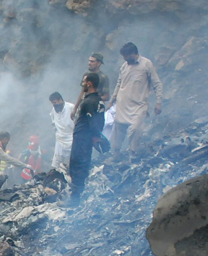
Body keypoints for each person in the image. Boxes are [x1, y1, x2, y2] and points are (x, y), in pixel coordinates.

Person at [105, 42, 163, 155]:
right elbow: (119, 84)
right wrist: (112, 101)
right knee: (118, 131)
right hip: (122, 105)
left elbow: (157, 84)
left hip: (139, 105)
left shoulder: (146, 64)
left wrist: (158, 102)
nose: (124, 59)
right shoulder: (124, 66)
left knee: (135, 129)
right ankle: (115, 154)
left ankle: (132, 153)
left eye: (126, 56)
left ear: (133, 54)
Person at [69, 73, 109, 202]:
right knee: (84, 164)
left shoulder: (89, 102)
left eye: (84, 82)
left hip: (82, 138)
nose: (83, 84)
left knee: (77, 165)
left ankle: (74, 198)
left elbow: (92, 122)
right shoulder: (99, 101)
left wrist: (95, 136)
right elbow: (100, 121)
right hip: (86, 138)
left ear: (89, 83)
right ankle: (79, 195)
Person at [48, 92, 75, 175]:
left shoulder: (71, 107)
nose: (54, 105)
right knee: (57, 164)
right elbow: (53, 122)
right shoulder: (54, 110)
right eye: (53, 103)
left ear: (61, 100)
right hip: (60, 139)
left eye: (55, 103)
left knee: (72, 162)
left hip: (72, 138)